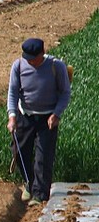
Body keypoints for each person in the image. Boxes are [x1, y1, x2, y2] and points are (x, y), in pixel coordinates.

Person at [8, 37, 71, 206]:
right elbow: (13, 92)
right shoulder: (18, 66)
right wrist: (12, 116)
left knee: (43, 157)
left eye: (33, 59)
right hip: (25, 116)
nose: (30, 62)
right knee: (19, 151)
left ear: (42, 53)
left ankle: (40, 195)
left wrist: (56, 114)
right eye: (27, 58)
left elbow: (65, 93)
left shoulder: (55, 66)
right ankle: (30, 182)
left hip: (47, 118)